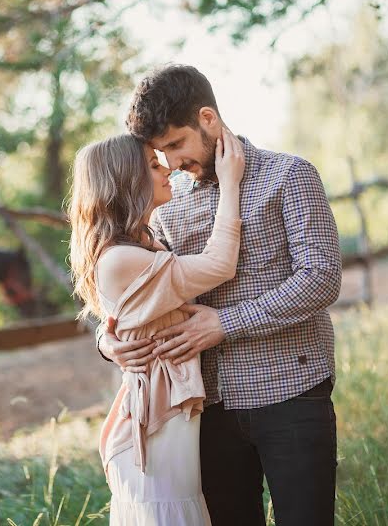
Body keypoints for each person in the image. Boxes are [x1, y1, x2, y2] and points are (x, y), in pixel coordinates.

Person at [98, 64, 342, 525]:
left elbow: (321, 278)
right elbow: (140, 289)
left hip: (291, 393)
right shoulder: (170, 202)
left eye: (175, 145)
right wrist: (108, 342)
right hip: (207, 411)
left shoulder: (289, 176)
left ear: (208, 119)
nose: (170, 162)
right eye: (160, 152)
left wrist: (226, 323)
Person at [68, 127, 245, 525]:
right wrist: (230, 183)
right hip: (153, 431)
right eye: (152, 164)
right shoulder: (120, 259)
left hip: (165, 420)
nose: (166, 168)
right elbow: (219, 265)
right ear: (127, 182)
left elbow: (121, 325)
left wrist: (107, 340)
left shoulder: (145, 246)